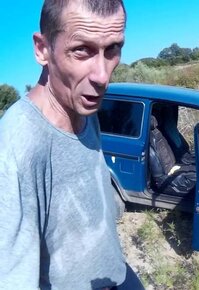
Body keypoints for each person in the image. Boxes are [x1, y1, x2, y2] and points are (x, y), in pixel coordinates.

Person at [0, 0, 144, 289]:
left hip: (116, 273)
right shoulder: (19, 144)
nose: (102, 76)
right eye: (82, 50)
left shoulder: (84, 109)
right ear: (42, 49)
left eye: (112, 49)